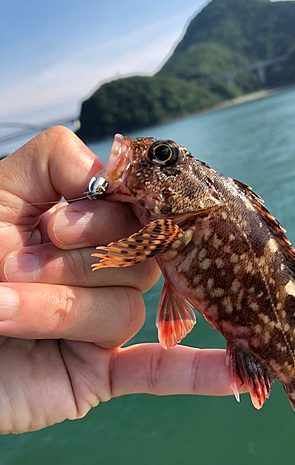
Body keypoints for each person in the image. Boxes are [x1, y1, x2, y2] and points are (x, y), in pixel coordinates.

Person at [0, 126, 232, 435]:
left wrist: (117, 253)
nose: (144, 156)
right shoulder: (169, 226)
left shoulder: (173, 227)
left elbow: (134, 248)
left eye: (162, 156)